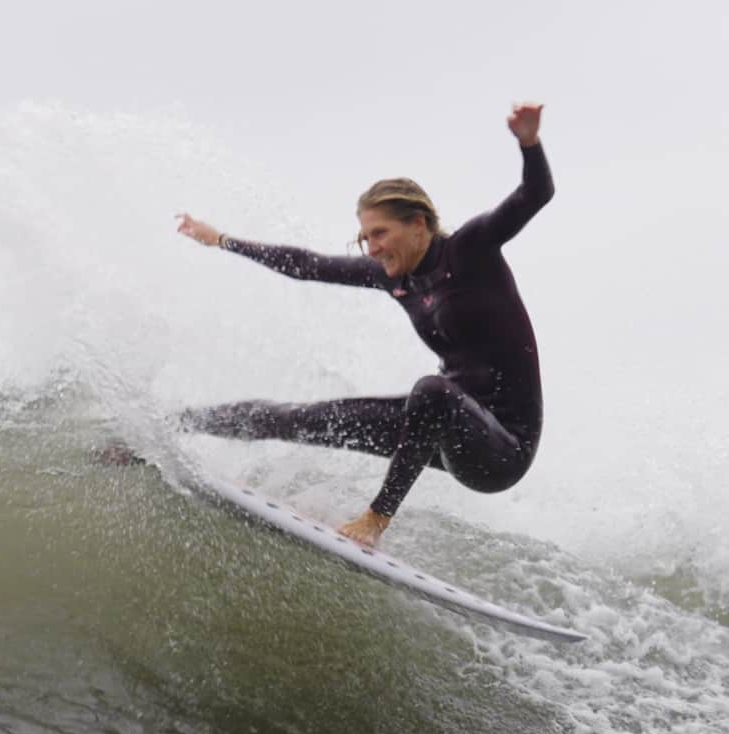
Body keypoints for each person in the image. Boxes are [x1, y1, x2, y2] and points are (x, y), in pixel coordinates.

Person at [174, 101, 553, 549]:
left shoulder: (470, 250)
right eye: (365, 237)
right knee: (305, 417)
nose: (370, 248)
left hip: (501, 450)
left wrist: (529, 143)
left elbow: (535, 193)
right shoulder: (396, 277)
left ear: (418, 225)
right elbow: (307, 264)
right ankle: (174, 424)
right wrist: (221, 240)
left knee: (431, 391)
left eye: (380, 234)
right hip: (443, 423)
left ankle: (375, 521)